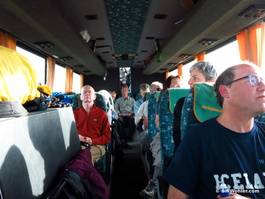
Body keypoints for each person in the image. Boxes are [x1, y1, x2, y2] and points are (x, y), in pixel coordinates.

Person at [164, 62, 265, 199]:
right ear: (225, 91)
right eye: (253, 80)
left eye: (263, 80)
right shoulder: (199, 138)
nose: (263, 87)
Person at [139, 76, 183, 199]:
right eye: (175, 85)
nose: (178, 88)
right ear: (168, 88)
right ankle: (153, 183)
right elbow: (158, 124)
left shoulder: (189, 100)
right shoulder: (162, 101)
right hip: (165, 134)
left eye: (180, 85)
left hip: (184, 136)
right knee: (163, 150)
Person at [173, 61, 217, 151]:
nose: (189, 82)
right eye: (190, 77)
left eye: (195, 78)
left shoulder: (225, 103)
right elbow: (177, 136)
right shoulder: (182, 103)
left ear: (211, 82)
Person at [73, 85, 111, 163]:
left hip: (97, 146)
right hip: (77, 145)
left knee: (84, 157)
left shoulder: (102, 114)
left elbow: (107, 137)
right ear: (81, 97)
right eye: (84, 92)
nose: (87, 94)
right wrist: (76, 137)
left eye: (89, 92)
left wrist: (92, 141)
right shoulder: (73, 114)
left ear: (94, 97)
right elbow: (67, 134)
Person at [114, 84, 135, 149]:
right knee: (119, 120)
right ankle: (123, 138)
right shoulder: (118, 100)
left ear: (128, 91)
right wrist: (119, 113)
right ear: (121, 91)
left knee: (132, 119)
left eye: (125, 90)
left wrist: (131, 113)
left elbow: (135, 109)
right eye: (123, 90)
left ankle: (130, 137)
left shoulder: (132, 100)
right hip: (121, 115)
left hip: (130, 115)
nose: (124, 91)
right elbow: (115, 109)